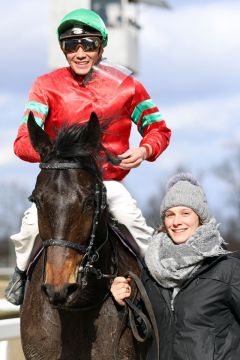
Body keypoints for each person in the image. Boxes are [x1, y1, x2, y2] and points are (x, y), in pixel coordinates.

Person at [5, 8, 171, 305]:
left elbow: (158, 128)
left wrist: (145, 149)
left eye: (89, 44)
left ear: (101, 46)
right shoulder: (46, 85)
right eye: (71, 45)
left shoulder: (127, 85)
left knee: (135, 226)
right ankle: (19, 276)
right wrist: (54, 153)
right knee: (30, 227)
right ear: (63, 49)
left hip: (108, 182)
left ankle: (161, 287)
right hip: (62, 181)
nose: (80, 53)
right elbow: (21, 142)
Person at [111, 173, 240, 360]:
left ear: (200, 218)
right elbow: (142, 331)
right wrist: (122, 301)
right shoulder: (150, 271)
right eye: (170, 215)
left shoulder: (228, 270)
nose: (176, 221)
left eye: (185, 213)